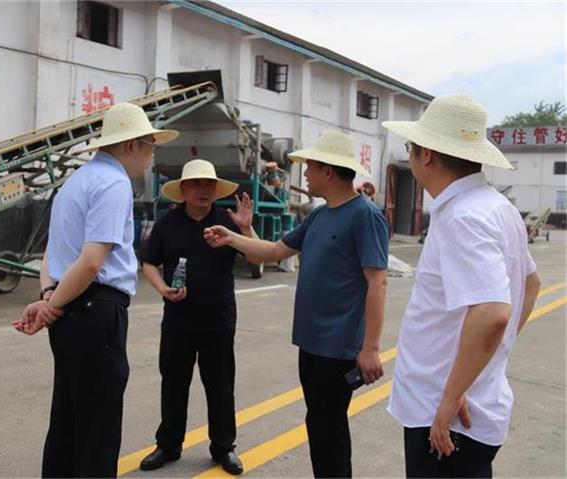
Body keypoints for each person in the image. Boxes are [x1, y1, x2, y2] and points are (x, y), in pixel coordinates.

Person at [204, 131, 389, 478]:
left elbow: (377, 282)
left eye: (310, 167)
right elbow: (275, 251)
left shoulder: (365, 216)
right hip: (311, 341)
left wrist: (371, 348)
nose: (305, 173)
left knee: (329, 429)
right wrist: (234, 236)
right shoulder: (319, 217)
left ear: (328, 171)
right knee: (319, 424)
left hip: (338, 346)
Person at [12, 102, 178, 478]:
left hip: (69, 308)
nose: (151, 157)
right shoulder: (114, 183)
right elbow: (91, 262)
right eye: (150, 145)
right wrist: (53, 303)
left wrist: (48, 301)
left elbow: (50, 256)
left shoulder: (74, 182)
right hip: (96, 309)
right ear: (131, 145)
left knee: (68, 419)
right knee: (98, 427)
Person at [383, 93, 541, 478]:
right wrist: (481, 367)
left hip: (448, 415)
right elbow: (531, 284)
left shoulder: (463, 217)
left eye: (411, 147)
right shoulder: (495, 207)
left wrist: (452, 395)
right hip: (466, 400)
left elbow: (492, 313)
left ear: (427, 156)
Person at [139, 159, 256, 476]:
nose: (203, 190)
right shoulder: (168, 223)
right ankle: (168, 445)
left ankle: (223, 448)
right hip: (178, 319)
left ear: (216, 190)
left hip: (218, 319)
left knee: (220, 386)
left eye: (209, 185)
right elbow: (149, 262)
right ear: (183, 190)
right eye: (196, 184)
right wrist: (163, 288)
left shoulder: (228, 221)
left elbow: (257, 254)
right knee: (173, 383)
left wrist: (245, 226)